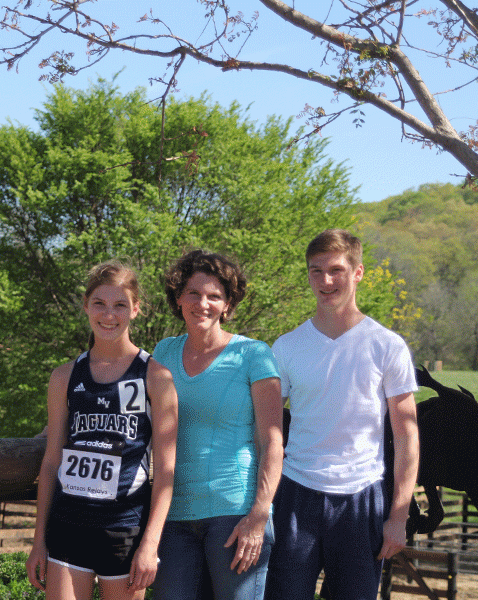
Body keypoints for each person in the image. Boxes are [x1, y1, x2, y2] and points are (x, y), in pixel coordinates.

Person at [266, 229, 420, 600]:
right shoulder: (286, 347)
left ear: (358, 273)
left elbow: (406, 436)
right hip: (295, 496)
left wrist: (398, 516)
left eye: (335, 270)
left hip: (362, 499)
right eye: (315, 271)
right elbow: (267, 430)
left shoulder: (387, 346)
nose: (325, 280)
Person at [26, 261, 179, 600]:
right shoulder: (64, 376)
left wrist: (150, 544)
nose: (109, 315)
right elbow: (51, 462)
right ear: (86, 306)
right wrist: (38, 540)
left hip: (123, 529)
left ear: (136, 310)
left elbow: (167, 470)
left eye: (120, 305)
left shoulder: (156, 377)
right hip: (68, 526)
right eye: (100, 304)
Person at [152, 250, 283, 600]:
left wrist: (259, 515)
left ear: (227, 304)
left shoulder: (254, 355)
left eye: (215, 296)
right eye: (193, 293)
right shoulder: (162, 353)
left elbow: (273, 442)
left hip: (236, 514)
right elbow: (126, 406)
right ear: (178, 298)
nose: (203, 303)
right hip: (174, 516)